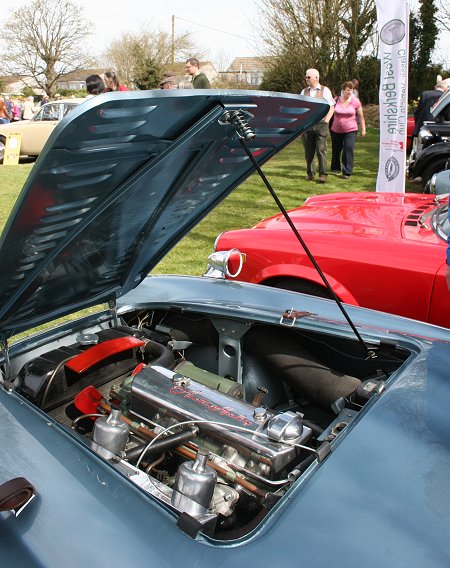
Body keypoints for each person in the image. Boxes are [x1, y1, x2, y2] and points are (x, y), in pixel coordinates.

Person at [300, 68, 335, 183]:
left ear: (316, 77)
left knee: (321, 150)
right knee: (308, 152)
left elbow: (331, 106)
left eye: (308, 77)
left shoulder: (325, 90)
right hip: (307, 125)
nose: (306, 79)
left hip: (321, 124)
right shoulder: (303, 91)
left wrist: (326, 121)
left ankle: (323, 174)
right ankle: (310, 174)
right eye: (306, 77)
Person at [330, 81, 366, 179]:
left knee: (348, 148)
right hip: (336, 130)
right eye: (347, 90)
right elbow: (330, 112)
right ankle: (335, 168)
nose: (349, 92)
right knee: (336, 150)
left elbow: (361, 116)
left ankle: (346, 171)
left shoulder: (356, 101)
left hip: (351, 129)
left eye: (351, 90)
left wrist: (363, 129)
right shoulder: (336, 100)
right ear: (343, 90)